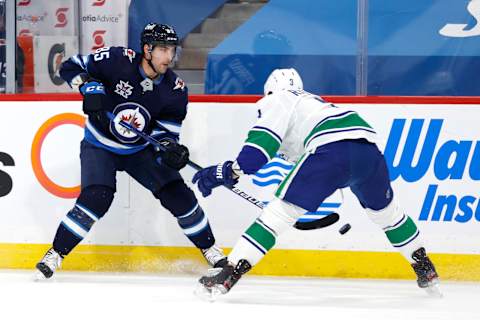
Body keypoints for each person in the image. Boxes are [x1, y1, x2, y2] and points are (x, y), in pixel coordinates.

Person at [192, 68, 440, 296]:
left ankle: (230, 272)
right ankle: (424, 266)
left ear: (269, 90)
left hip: (331, 151)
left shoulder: (278, 98)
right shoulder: (314, 105)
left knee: (278, 214)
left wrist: (227, 171)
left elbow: (259, 150)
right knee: (388, 214)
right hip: (368, 152)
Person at [35, 23, 226, 279]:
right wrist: (88, 87)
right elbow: (70, 66)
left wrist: (169, 150)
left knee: (178, 194)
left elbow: (165, 134)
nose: (170, 57)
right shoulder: (116, 60)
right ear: (147, 49)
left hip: (139, 151)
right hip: (100, 145)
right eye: (163, 50)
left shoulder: (175, 90)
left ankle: (210, 249)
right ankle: (56, 254)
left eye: (173, 50)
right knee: (97, 198)